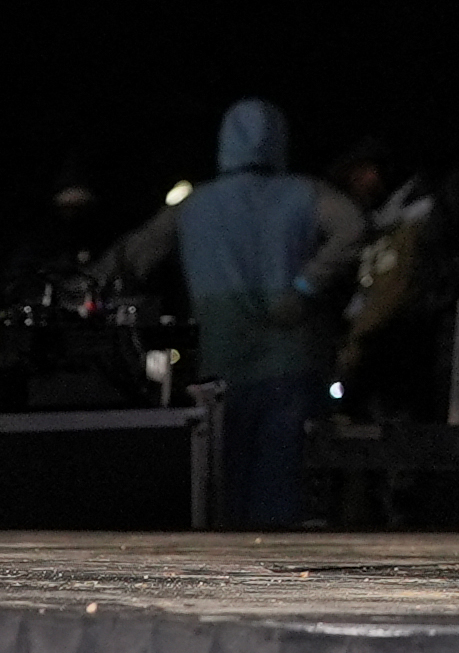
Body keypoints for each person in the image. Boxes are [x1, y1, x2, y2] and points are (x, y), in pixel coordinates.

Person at [107, 101, 365, 524]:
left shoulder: (194, 206)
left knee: (222, 493)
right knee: (281, 493)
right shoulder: (305, 193)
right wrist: (305, 285)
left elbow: (131, 257)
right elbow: (353, 227)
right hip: (291, 362)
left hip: (221, 368)